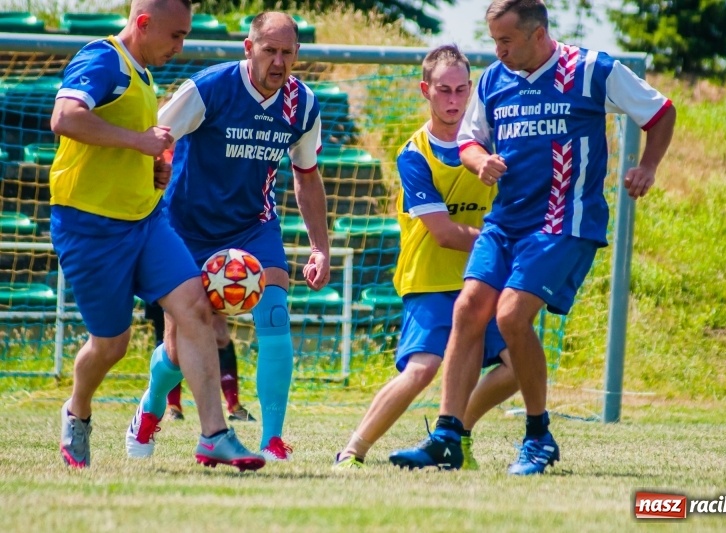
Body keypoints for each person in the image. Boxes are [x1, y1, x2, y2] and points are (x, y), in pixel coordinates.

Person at [390, 0, 676, 475]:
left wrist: (647, 166)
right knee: (468, 308)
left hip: (564, 221)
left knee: (511, 316)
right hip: (506, 222)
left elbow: (660, 112)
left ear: (537, 34)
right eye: (494, 40)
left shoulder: (591, 70)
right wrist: (479, 159)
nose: (497, 51)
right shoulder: (493, 82)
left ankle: (538, 435)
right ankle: (446, 437)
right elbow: (468, 139)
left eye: (506, 40)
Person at [50, 0, 264, 471]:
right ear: (143, 24)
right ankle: (77, 411)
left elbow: (129, 143)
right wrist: (139, 142)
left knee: (195, 307)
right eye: (175, 36)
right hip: (90, 227)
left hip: (145, 221)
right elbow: (64, 118)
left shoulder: (145, 77)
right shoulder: (103, 59)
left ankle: (214, 436)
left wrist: (151, 167)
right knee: (112, 344)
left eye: (185, 36)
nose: (180, 46)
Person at [125, 11, 330, 463]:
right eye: (269, 50)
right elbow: (154, 139)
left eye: (287, 53)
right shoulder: (208, 88)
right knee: (178, 349)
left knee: (275, 318)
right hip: (185, 228)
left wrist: (320, 247)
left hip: (252, 225)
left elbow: (307, 175)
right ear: (248, 47)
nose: (278, 62)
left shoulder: (304, 105)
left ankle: (272, 439)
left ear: (297, 54)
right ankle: (150, 407)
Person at [333, 45, 518, 470]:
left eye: (461, 91)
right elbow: (446, 233)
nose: (453, 101)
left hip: (482, 276)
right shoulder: (415, 154)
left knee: (519, 364)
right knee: (422, 368)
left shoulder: (492, 143)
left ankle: (451, 436)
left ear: (472, 91)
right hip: (430, 278)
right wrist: (506, 240)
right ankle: (352, 451)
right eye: (443, 91)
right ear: (425, 90)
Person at [144, 302, 255, 422]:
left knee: (220, 335)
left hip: (205, 284)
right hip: (166, 285)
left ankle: (234, 406)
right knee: (170, 342)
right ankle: (172, 406)